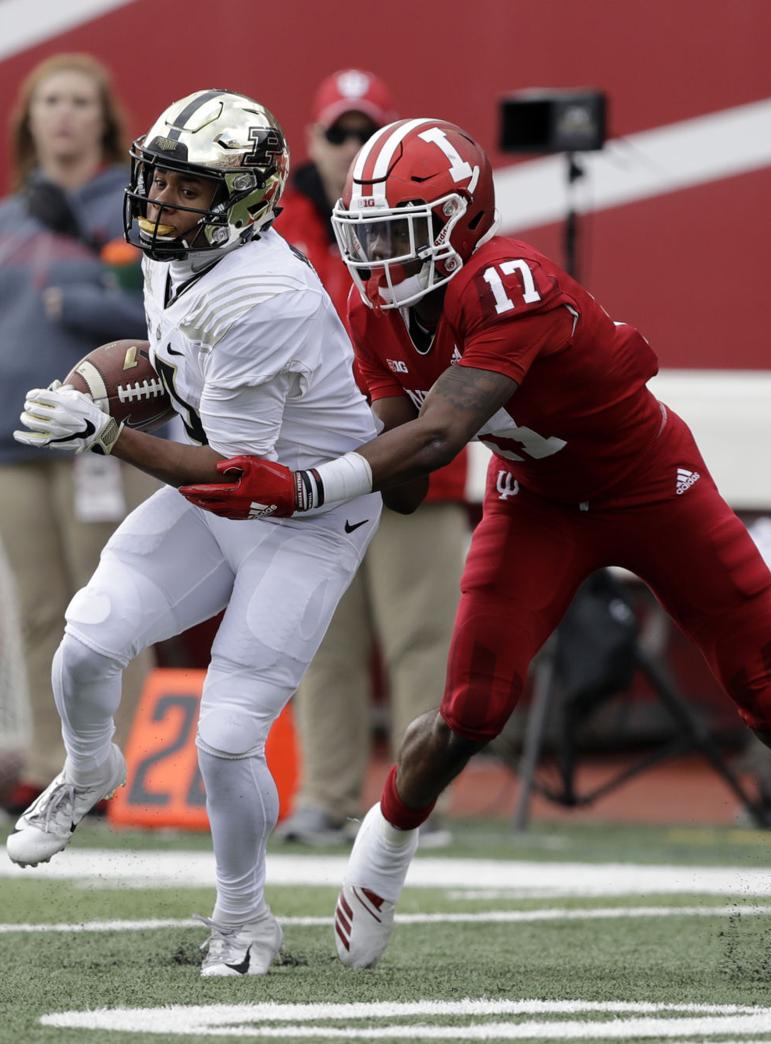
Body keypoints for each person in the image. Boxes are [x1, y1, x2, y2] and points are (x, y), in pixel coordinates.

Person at [180, 118, 771, 979]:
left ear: (463, 223)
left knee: (770, 694)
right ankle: (384, 845)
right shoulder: (369, 311)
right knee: (471, 709)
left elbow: (439, 437)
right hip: (539, 497)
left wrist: (304, 485)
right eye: (370, 239)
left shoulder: (510, 281)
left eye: (404, 234)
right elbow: (398, 474)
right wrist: (312, 436)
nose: (382, 262)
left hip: (650, 482)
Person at [5, 89, 382, 978]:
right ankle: (90, 770)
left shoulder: (265, 294)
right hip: (228, 482)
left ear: (247, 199)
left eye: (188, 190)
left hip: (301, 515)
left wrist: (103, 432)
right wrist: (106, 391)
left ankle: (245, 923)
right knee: (86, 638)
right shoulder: (181, 256)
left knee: (225, 737)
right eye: (158, 183)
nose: (161, 205)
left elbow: (233, 478)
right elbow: (179, 376)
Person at [0, 53, 156, 815]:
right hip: (12, 448)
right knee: (36, 612)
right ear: (29, 118)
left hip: (106, 442)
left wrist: (84, 303)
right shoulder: (2, 222)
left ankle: (127, 767)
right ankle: (48, 763)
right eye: (49, 101)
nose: (62, 114)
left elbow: (166, 323)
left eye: (79, 101)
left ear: (103, 120)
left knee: (115, 605)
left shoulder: (136, 209)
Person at [273, 70, 468, 845]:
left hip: (415, 457)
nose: (350, 148)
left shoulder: (431, 219)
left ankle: (422, 801)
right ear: (313, 142)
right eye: (337, 133)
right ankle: (324, 791)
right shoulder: (272, 225)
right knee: (321, 637)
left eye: (365, 134)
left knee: (422, 637)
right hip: (318, 461)